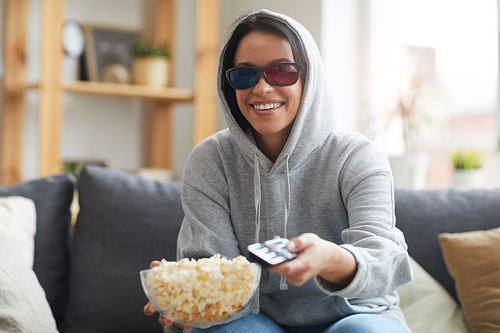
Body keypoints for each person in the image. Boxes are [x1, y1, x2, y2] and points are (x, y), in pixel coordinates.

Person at [144, 9, 413, 333]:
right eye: (245, 75)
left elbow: (385, 261)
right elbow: (216, 273)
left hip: (357, 314)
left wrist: (328, 258)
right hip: (255, 319)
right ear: (230, 85)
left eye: (282, 72)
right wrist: (186, 294)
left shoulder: (358, 157)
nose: (261, 88)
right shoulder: (210, 162)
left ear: (309, 78)